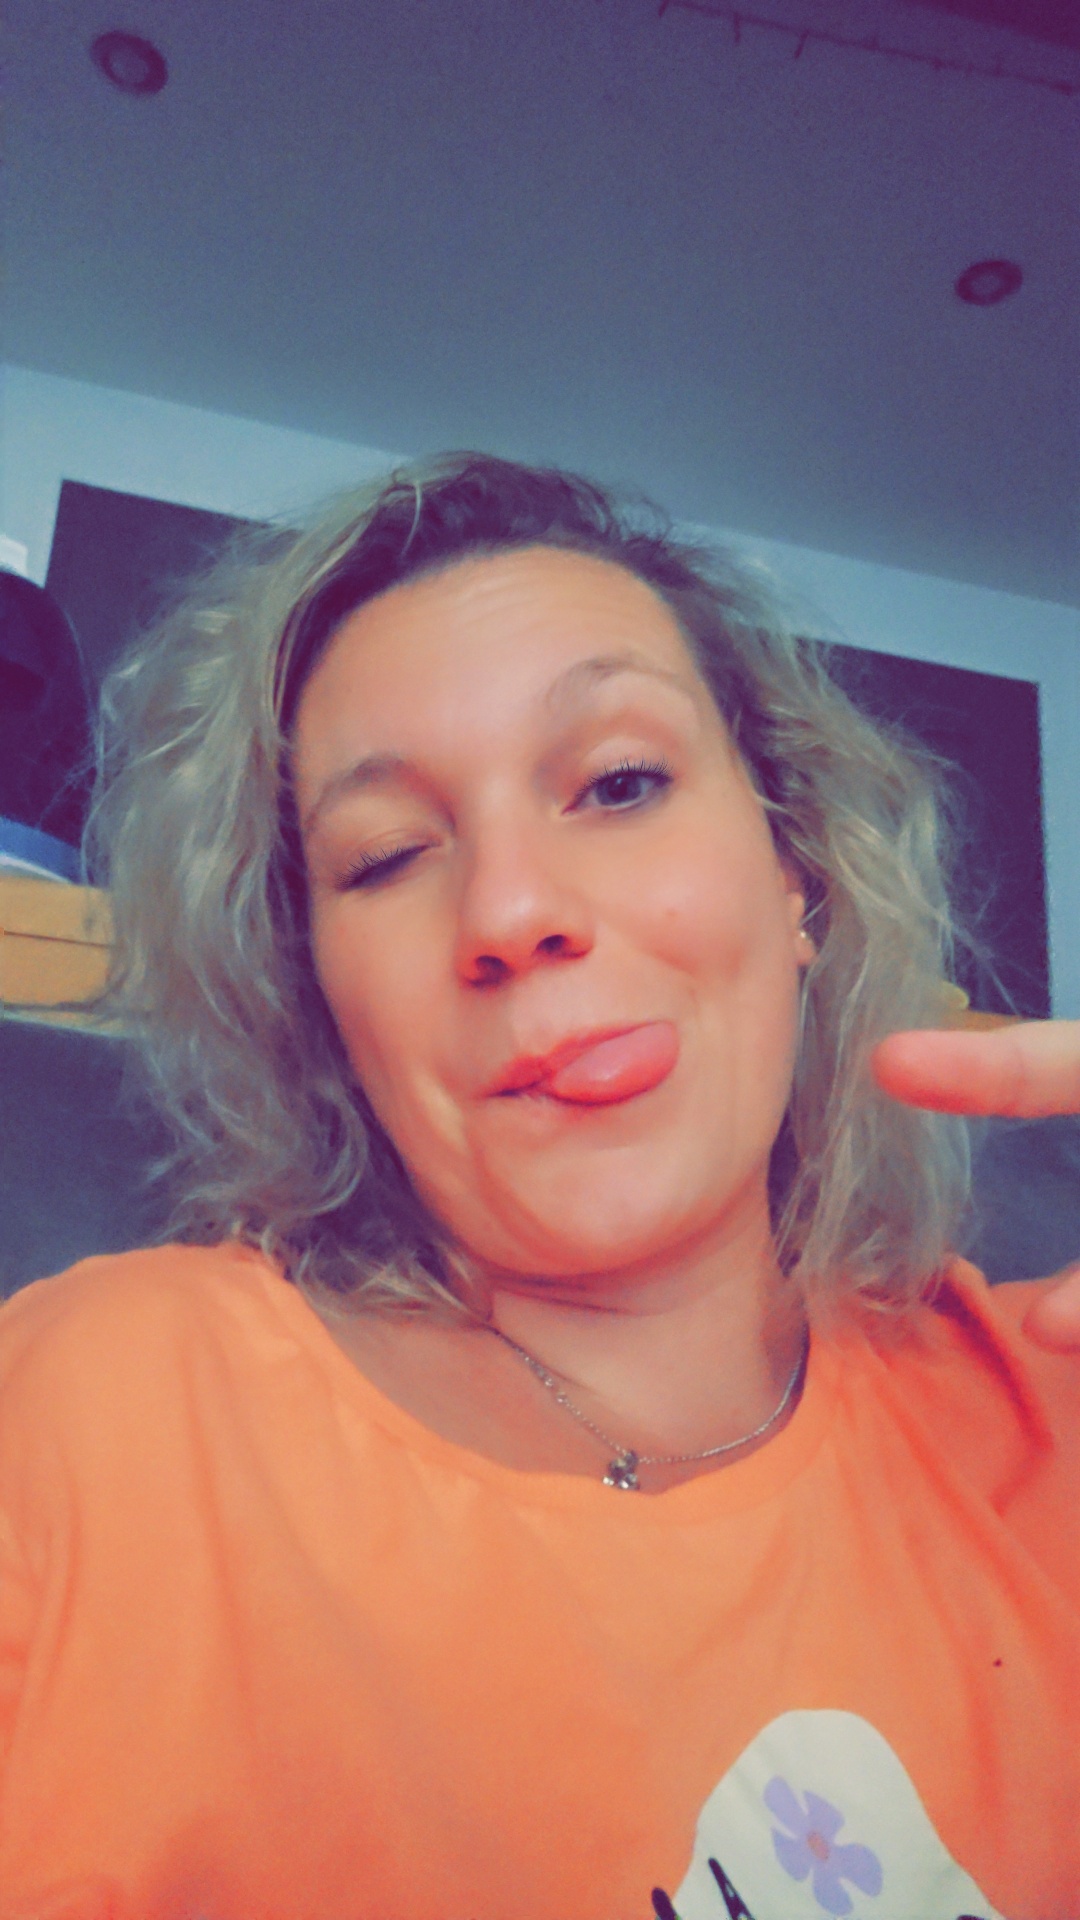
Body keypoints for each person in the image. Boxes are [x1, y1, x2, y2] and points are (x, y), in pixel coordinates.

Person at [0, 454, 1076, 1920]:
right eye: (386, 857)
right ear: (323, 1008)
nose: (509, 909)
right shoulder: (97, 1419)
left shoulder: (1050, 1412)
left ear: (797, 875)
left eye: (620, 783)